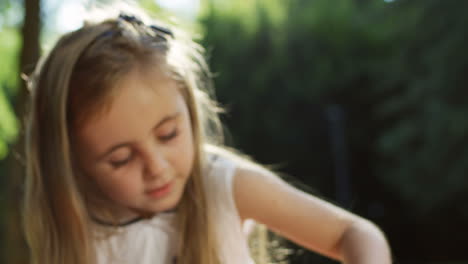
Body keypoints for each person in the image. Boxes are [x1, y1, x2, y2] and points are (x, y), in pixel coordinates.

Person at [22, 5, 392, 264]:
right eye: (121, 159)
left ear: (190, 108)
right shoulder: (78, 226)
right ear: (73, 162)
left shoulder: (224, 186)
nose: (157, 167)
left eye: (168, 134)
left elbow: (356, 235)